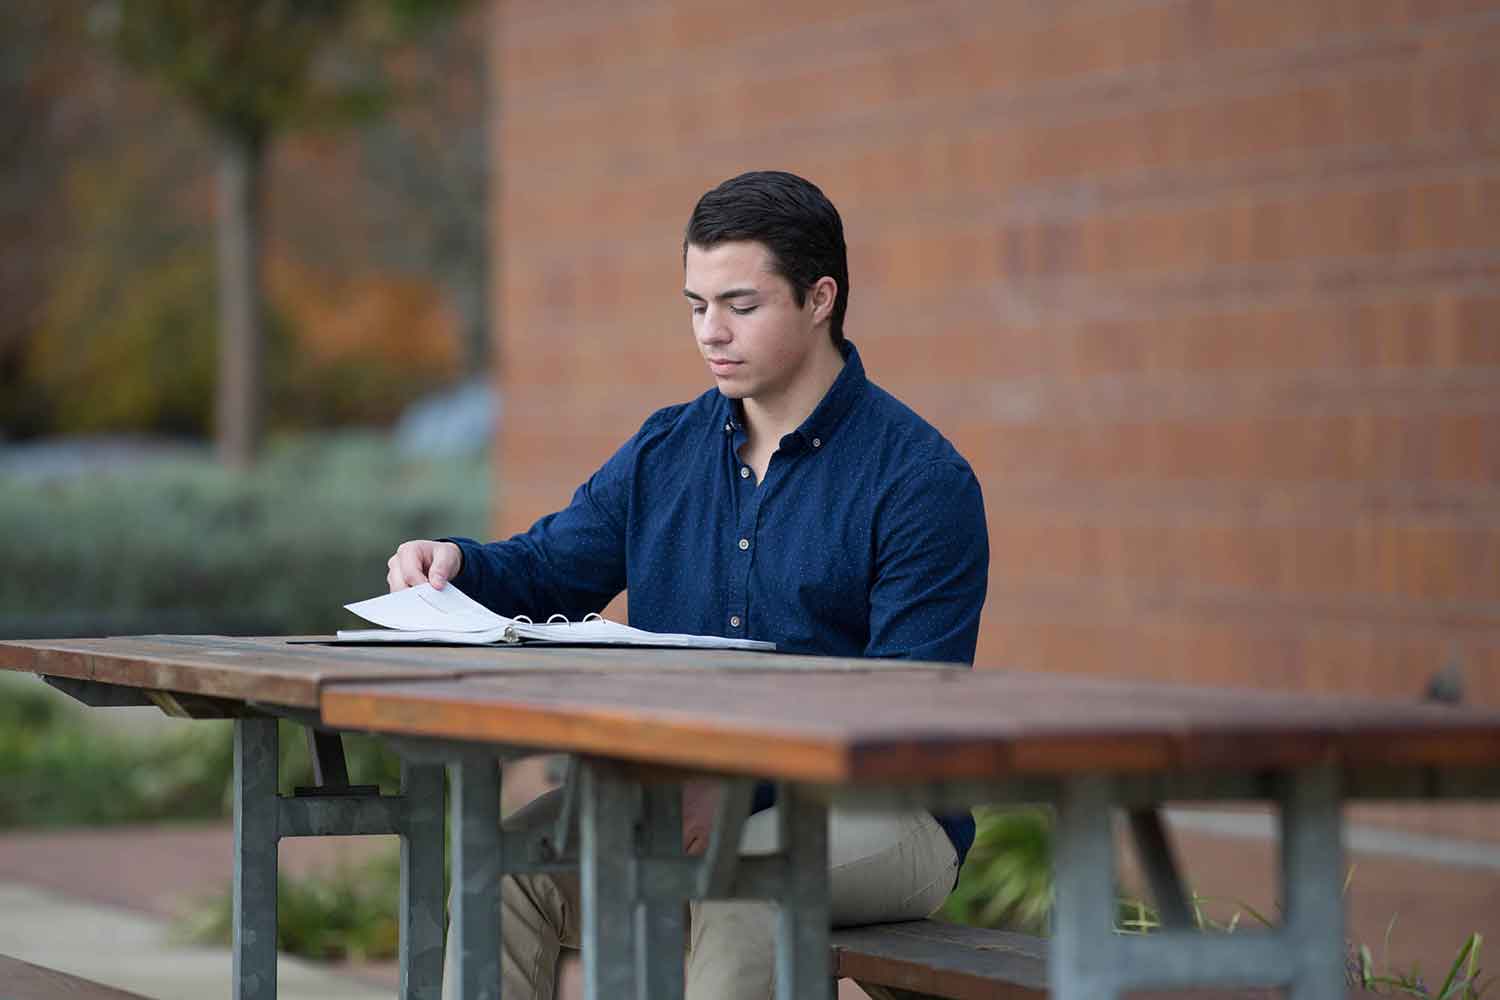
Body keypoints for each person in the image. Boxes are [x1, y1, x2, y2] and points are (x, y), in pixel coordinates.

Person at [388, 169, 988, 1000]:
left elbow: (906, 713)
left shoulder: (919, 481)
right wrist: (455, 564)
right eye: (696, 305)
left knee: (745, 885)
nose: (712, 331)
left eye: (741, 305)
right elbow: (548, 569)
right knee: (508, 868)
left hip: (884, 815)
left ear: (820, 299)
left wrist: (739, 781)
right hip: (688, 796)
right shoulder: (665, 451)